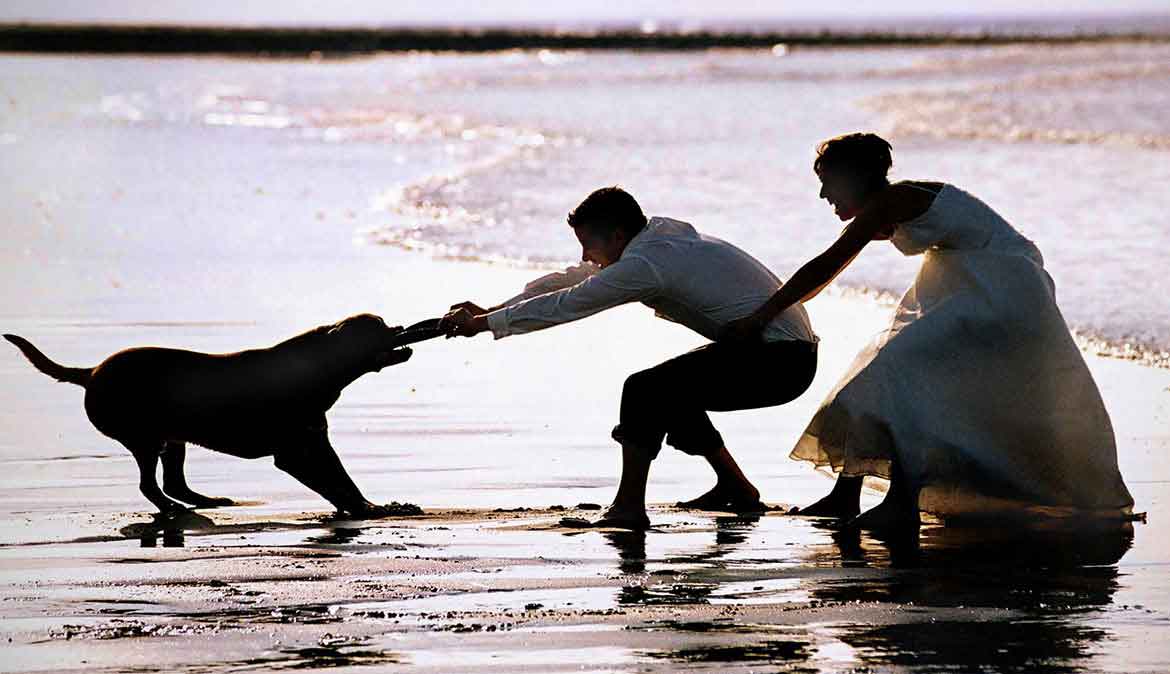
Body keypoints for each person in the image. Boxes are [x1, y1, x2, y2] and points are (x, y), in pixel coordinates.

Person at [723, 132, 1135, 530]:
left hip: (1001, 285)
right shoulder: (887, 203)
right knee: (881, 370)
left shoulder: (891, 200)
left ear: (853, 178)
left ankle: (901, 504)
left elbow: (827, 265)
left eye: (827, 183)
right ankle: (845, 495)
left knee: (899, 371)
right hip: (962, 279)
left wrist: (761, 316)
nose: (823, 195)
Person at [442, 186, 819, 529]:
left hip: (782, 363)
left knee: (645, 389)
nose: (585, 256)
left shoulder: (645, 264)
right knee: (671, 386)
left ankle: (628, 508)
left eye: (588, 244)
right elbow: (574, 280)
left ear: (618, 236)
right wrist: (490, 313)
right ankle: (737, 489)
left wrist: (484, 324)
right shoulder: (658, 237)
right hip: (777, 353)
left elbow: (570, 303)